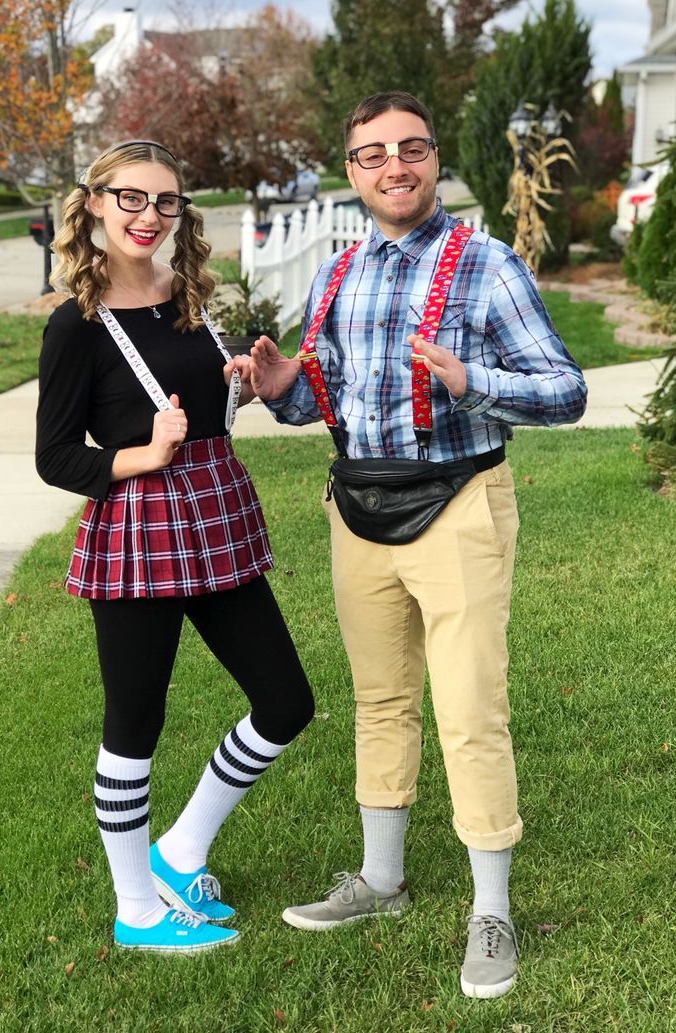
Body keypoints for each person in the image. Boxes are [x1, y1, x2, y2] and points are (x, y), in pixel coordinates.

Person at [250, 92, 587, 998]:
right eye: (372, 154)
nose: (394, 166)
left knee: (470, 704)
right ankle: (383, 879)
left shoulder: (487, 264)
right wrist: (284, 384)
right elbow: (319, 397)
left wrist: (474, 380)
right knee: (380, 698)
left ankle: (492, 910)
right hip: (358, 506)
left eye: (410, 149)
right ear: (351, 170)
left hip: (461, 503)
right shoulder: (338, 271)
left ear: (434, 158)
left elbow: (567, 390)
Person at [35, 140, 314, 955]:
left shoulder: (187, 297)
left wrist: (245, 384)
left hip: (218, 516)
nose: (149, 216)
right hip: (140, 529)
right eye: (130, 198)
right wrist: (140, 456)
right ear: (93, 204)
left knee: (286, 701)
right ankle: (137, 908)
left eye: (166, 202)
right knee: (135, 719)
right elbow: (56, 457)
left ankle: (181, 852)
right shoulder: (76, 326)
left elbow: (202, 408)